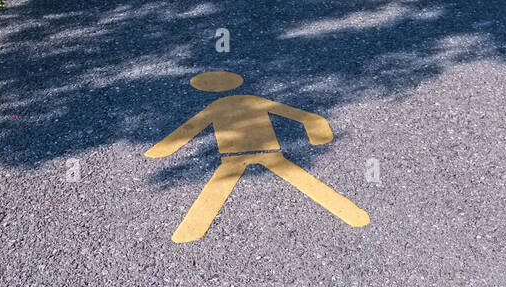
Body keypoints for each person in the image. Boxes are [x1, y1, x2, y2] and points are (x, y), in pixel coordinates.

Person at [146, 71, 370, 243]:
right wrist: (319, 135)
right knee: (301, 179)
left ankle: (190, 230)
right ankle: (351, 213)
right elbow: (304, 117)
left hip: (234, 157)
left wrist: (163, 150)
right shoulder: (251, 100)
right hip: (264, 153)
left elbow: (187, 130)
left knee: (218, 186)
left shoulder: (219, 105)